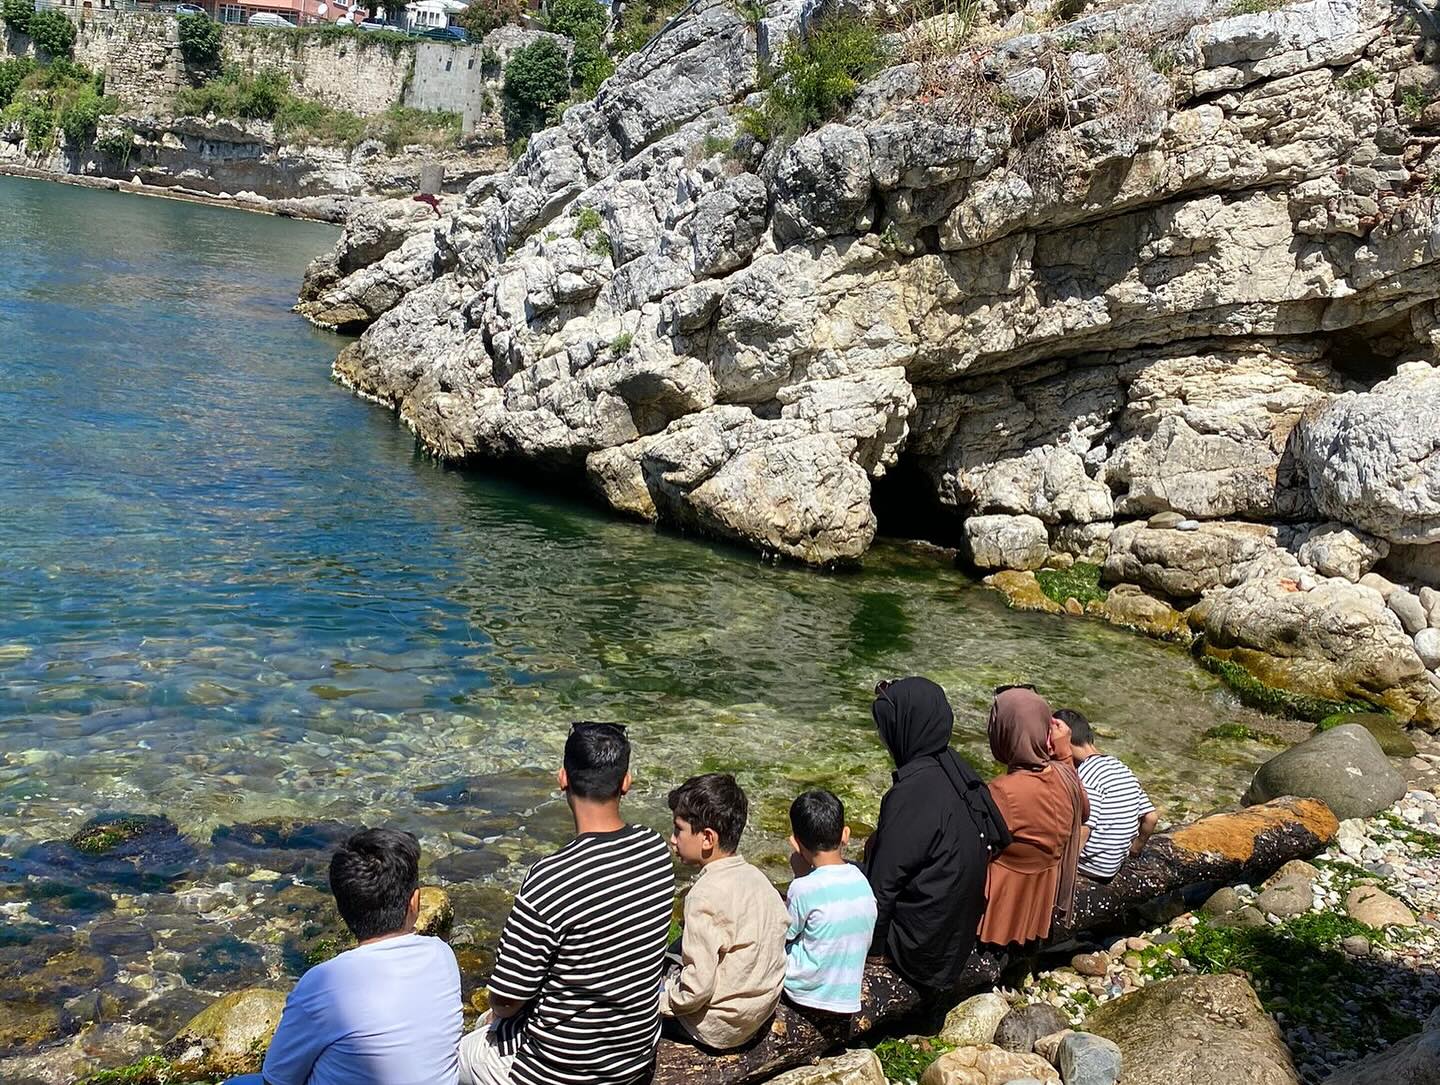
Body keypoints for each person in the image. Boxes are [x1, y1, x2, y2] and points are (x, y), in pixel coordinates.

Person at [459, 722, 675, 1085]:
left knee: (457, 1056)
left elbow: (507, 999)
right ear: (626, 782)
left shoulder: (550, 878)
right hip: (633, 1056)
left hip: (559, 1071)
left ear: (562, 778)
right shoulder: (655, 849)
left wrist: (497, 1015)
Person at [232, 827, 463, 1085]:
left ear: (342, 907)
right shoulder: (442, 955)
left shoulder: (323, 984)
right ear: (415, 902)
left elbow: (277, 1079)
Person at [862, 677, 1011, 994]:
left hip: (924, 951)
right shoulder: (956, 768)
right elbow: (998, 837)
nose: (884, 737)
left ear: (905, 729)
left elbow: (884, 884)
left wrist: (875, 950)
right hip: (954, 934)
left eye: (886, 729)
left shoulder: (911, 793)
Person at [661, 772, 790, 1050]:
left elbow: (696, 991)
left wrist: (665, 1000)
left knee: (654, 979)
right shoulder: (759, 880)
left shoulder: (703, 896)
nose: (673, 840)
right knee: (681, 945)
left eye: (678, 829)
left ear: (707, 838)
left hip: (720, 1026)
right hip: (758, 1011)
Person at [979, 687, 1089, 948]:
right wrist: (1063, 754)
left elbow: (975, 849)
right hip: (1041, 899)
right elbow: (1084, 812)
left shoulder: (1003, 791)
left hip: (1001, 907)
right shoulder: (1065, 778)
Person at [782, 789, 877, 1017]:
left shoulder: (803, 888)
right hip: (847, 993)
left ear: (796, 842)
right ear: (845, 834)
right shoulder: (860, 879)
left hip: (805, 992)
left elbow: (784, 934)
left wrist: (800, 876)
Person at [1053, 707, 1158, 881]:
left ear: (1066, 741)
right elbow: (1151, 818)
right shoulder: (1122, 768)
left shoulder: (1085, 775)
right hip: (1112, 865)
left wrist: (1063, 873)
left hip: (1089, 866)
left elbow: (1083, 830)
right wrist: (1136, 848)